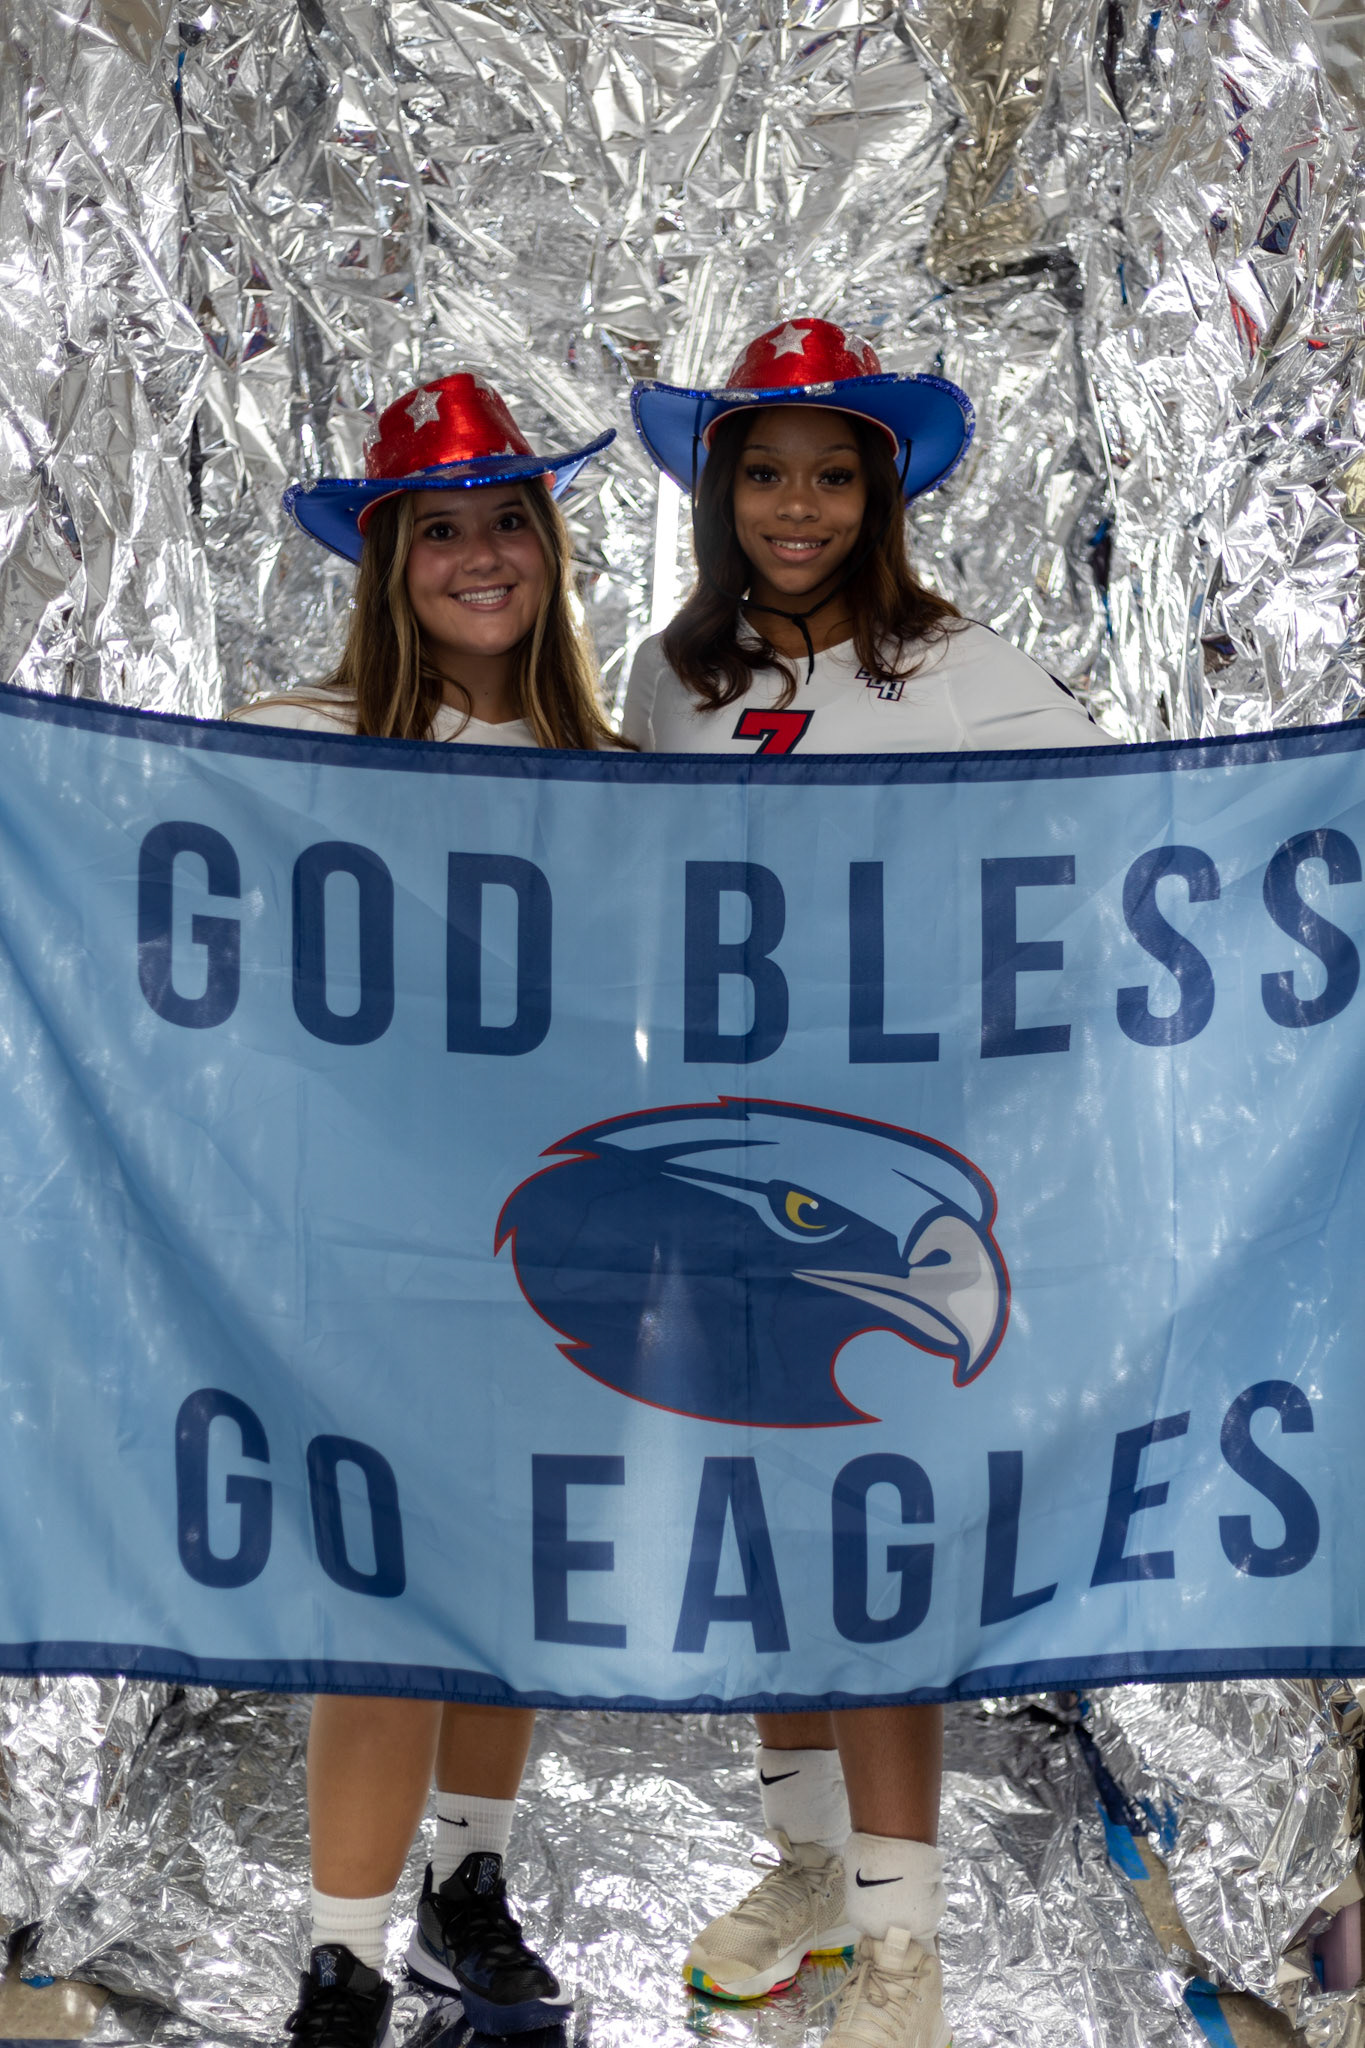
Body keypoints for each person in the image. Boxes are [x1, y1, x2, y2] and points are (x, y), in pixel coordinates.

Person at [626, 317, 1118, 2048]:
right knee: (765, 1532)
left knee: (878, 1545)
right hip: (728, 1172)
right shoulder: (665, 678)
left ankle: (903, 1948)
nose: (796, 507)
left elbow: (1098, 861)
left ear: (880, 489)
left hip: (904, 1177)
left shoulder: (964, 671)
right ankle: (809, 1864)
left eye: (832, 474)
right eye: (764, 472)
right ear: (719, 489)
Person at [241, 371, 619, 2048]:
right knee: (380, 1599)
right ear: (388, 563)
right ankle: (335, 1958)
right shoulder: (290, 748)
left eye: (507, 524)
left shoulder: (618, 772)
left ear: (547, 548)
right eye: (439, 529)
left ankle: (468, 1892)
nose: (479, 557)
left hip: (551, 1249)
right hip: (367, 1249)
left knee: (507, 1588)